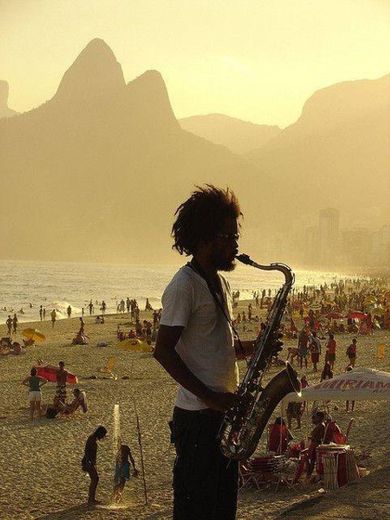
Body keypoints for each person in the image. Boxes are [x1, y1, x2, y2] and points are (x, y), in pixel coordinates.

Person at [154, 186, 259, 520]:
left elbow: (215, 345)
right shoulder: (184, 285)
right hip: (199, 420)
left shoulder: (220, 283)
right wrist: (209, 397)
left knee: (222, 508)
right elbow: (163, 351)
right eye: (229, 236)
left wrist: (253, 347)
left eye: (236, 236)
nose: (236, 245)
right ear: (203, 239)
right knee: (195, 510)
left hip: (221, 416)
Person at [82, 426, 107, 505]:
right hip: (88, 462)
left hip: (89, 462)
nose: (103, 437)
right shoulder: (92, 439)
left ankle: (91, 498)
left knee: (95, 479)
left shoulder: (92, 438)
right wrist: (89, 462)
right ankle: (91, 499)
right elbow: (87, 451)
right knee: (95, 479)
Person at [307, 411, 326, 478]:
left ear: (320, 418)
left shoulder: (321, 426)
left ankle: (309, 474)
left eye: (316, 417)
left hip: (316, 444)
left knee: (312, 460)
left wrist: (312, 438)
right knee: (310, 460)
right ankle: (309, 473)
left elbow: (320, 437)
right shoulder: (319, 425)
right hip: (314, 444)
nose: (315, 418)